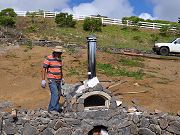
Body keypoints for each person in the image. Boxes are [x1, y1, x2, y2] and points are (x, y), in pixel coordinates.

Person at [41, 46, 65, 113]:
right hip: (52, 79)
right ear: (54, 52)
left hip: (59, 79)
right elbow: (43, 69)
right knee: (55, 93)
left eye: (60, 53)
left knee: (59, 94)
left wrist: (62, 78)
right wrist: (43, 80)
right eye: (58, 53)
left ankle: (55, 108)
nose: (59, 54)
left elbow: (60, 69)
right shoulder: (49, 58)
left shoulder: (60, 59)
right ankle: (52, 110)